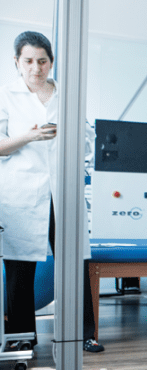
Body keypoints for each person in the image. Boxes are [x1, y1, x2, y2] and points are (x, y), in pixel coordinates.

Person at [0, 31, 103, 353]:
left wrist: (71, 133)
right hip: (21, 192)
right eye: (28, 61)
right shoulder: (6, 95)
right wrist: (28, 137)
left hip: (63, 190)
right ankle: (20, 337)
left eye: (42, 61)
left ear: (51, 62)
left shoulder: (66, 94)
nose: (36, 68)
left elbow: (88, 141)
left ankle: (84, 332)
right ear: (17, 62)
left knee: (74, 262)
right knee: (19, 267)